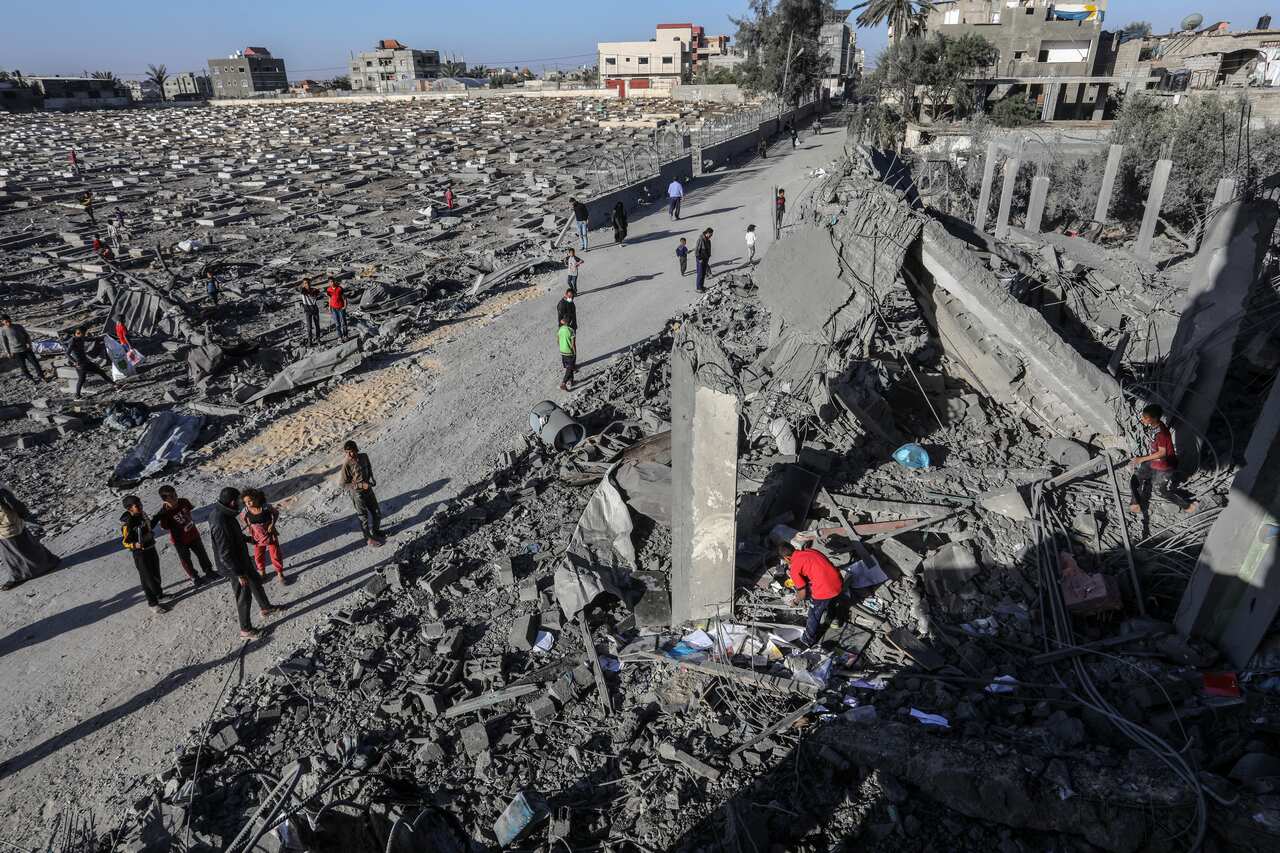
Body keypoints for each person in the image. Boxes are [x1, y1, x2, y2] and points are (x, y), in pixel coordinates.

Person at [208, 487, 280, 641]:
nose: (241, 507)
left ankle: (266, 608)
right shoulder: (219, 521)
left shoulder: (223, 513)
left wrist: (248, 539)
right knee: (243, 595)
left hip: (241, 559)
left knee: (255, 580)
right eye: (240, 503)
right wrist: (238, 573)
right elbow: (224, 553)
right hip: (233, 565)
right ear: (233, 502)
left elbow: (233, 535)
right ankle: (245, 630)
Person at [1129, 404, 1198, 514]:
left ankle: (1188, 506)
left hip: (1164, 466)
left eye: (1145, 418)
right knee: (1135, 478)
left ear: (1155, 418)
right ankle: (1135, 502)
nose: (1142, 419)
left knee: (1160, 491)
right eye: (1143, 417)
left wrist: (1141, 459)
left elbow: (1162, 453)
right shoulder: (1155, 427)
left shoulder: (1162, 433)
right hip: (1155, 462)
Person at [778, 542, 844, 648]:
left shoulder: (795, 569)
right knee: (831, 601)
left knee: (813, 615)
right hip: (838, 582)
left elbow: (802, 594)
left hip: (825, 591)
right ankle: (834, 619)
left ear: (786, 558)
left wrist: (795, 601)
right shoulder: (810, 551)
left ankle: (807, 640)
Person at [153, 485, 218, 588]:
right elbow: (164, 527)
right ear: (165, 499)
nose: (176, 497)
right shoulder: (164, 513)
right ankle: (194, 577)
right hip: (179, 540)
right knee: (186, 560)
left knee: (202, 554)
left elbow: (189, 510)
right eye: (172, 496)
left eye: (175, 494)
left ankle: (209, 571)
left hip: (193, 534)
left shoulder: (183, 501)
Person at [0, 484, 60, 592]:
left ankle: (20, 575)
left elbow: (17, 506)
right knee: (17, 550)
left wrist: (27, 517)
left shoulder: (2, 493)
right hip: (6, 527)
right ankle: (44, 564)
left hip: (9, 526)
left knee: (15, 551)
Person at [120, 495, 168, 614]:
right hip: (140, 554)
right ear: (129, 509)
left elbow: (149, 525)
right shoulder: (128, 524)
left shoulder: (142, 515)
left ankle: (159, 595)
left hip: (151, 548)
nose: (140, 506)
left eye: (140, 503)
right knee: (147, 579)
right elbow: (125, 542)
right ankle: (153, 603)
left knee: (156, 573)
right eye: (137, 505)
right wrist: (134, 545)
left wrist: (161, 513)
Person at [240, 489, 289, 585]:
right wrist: (250, 527)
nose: (248, 503)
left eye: (250, 501)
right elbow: (243, 518)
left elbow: (276, 513)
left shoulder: (266, 507)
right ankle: (262, 572)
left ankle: (280, 573)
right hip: (257, 537)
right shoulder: (245, 511)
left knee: (275, 555)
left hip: (270, 535)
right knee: (258, 556)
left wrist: (272, 524)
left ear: (257, 498)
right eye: (245, 502)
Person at [341, 441, 385, 547]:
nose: (350, 455)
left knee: (377, 512)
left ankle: (376, 531)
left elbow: (369, 468)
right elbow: (343, 484)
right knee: (363, 517)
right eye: (348, 452)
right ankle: (368, 539)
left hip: (368, 489)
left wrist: (372, 479)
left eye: (351, 451)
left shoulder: (364, 456)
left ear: (356, 449)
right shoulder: (346, 464)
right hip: (357, 494)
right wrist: (360, 486)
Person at [66, 326, 112, 399]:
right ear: (78, 333)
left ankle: (113, 384)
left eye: (84, 334)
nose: (84, 335)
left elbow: (90, 339)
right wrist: (74, 362)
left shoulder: (82, 338)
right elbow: (67, 354)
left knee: (99, 372)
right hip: (80, 363)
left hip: (85, 361)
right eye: (82, 334)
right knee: (82, 379)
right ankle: (77, 395)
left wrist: (101, 337)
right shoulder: (72, 341)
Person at [2, 315, 43, 384]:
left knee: (35, 363)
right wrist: (8, 352)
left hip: (26, 349)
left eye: (9, 321)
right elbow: (4, 342)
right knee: (23, 367)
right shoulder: (3, 330)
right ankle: (30, 378)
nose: (8, 323)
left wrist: (29, 344)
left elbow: (26, 335)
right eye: (6, 322)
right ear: (2, 322)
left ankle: (41, 376)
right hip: (16, 352)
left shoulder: (18, 326)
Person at [299, 279, 322, 345]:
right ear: (303, 284)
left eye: (308, 283)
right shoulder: (302, 290)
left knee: (317, 326)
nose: (307, 284)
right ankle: (310, 341)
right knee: (309, 327)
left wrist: (315, 293)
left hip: (314, 309)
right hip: (308, 311)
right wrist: (303, 285)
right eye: (305, 283)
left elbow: (319, 293)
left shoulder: (314, 290)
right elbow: (298, 288)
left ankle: (318, 339)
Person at [558, 317, 576, 391]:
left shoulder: (560, 329)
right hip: (569, 351)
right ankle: (564, 382)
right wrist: (574, 352)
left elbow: (558, 340)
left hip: (562, 351)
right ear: (569, 322)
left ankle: (570, 381)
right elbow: (573, 344)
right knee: (569, 367)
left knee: (569, 366)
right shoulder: (571, 330)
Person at [694, 228, 713, 293]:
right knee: (700, 273)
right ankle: (698, 288)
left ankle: (701, 286)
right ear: (707, 233)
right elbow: (696, 250)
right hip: (701, 259)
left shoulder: (707, 239)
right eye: (710, 235)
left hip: (705, 258)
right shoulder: (701, 239)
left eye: (711, 235)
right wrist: (699, 259)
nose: (711, 236)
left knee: (703, 273)